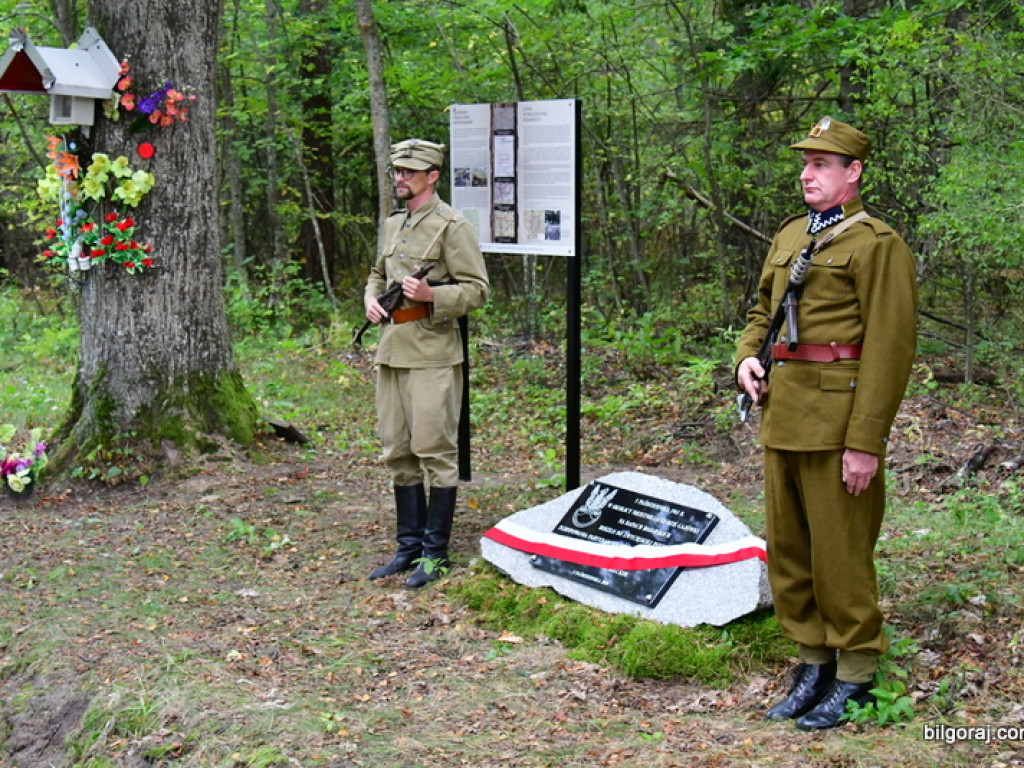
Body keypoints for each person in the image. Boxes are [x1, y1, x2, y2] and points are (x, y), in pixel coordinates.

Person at [735, 117, 917, 730]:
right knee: (790, 553)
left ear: (853, 172)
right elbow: (762, 310)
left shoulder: (877, 243)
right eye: (805, 163)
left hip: (838, 424)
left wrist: (866, 442)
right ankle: (813, 663)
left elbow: (890, 348)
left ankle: (857, 673)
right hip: (783, 415)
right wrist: (746, 358)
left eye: (821, 164)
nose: (807, 174)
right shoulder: (792, 233)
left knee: (841, 555)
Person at [363, 138, 490, 589]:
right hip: (393, 350)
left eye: (409, 172)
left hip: (433, 353)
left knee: (435, 450)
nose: (400, 178)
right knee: (397, 450)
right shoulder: (393, 223)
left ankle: (435, 555)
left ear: (432, 176)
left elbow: (477, 289)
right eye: (397, 171)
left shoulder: (452, 226)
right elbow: (378, 273)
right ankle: (408, 548)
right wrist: (370, 298)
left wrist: (433, 294)